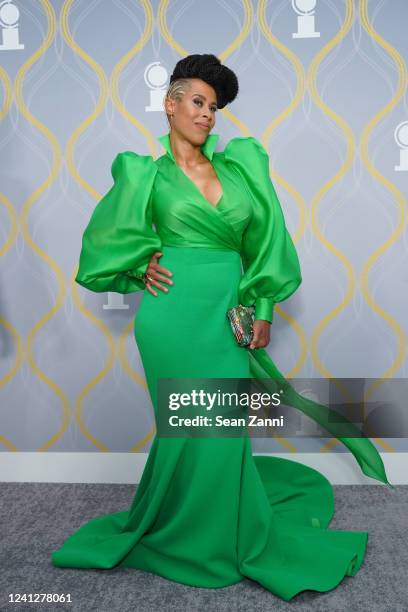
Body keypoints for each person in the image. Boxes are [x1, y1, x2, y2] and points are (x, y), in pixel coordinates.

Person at [51, 54, 391, 601]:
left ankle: (223, 533)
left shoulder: (239, 168)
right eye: (198, 102)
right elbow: (101, 251)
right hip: (169, 320)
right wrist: (139, 267)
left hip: (226, 317)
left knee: (223, 429)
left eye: (215, 107)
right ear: (172, 103)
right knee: (184, 429)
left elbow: (268, 248)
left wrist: (262, 312)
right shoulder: (145, 171)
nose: (208, 114)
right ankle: (179, 533)